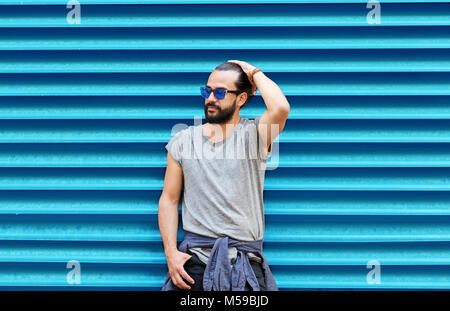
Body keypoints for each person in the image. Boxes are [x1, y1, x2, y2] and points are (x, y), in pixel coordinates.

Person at [158, 60, 290, 291]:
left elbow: (280, 108)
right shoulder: (182, 141)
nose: (210, 98)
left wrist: (253, 72)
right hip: (195, 264)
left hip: (245, 263)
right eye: (207, 91)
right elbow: (169, 199)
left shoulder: (255, 136)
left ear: (241, 99)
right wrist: (171, 254)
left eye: (220, 92)